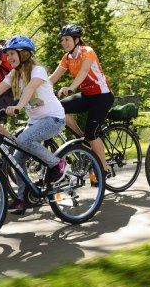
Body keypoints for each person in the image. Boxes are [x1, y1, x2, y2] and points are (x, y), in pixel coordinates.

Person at [0, 35, 66, 214]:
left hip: (53, 119)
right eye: (7, 54)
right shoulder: (14, 74)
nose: (8, 57)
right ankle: (24, 198)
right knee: (16, 159)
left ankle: (57, 164)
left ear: (24, 54)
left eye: (12, 54)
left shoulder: (37, 70)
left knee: (23, 141)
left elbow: (30, 88)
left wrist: (18, 106)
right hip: (35, 122)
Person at [49, 24, 114, 178]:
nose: (63, 42)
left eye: (67, 39)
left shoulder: (87, 52)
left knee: (92, 133)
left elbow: (84, 71)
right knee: (59, 108)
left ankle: (104, 169)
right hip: (86, 96)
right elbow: (52, 78)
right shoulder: (67, 57)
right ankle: (82, 139)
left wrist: (71, 88)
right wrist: (36, 90)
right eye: (62, 40)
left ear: (76, 40)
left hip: (102, 95)